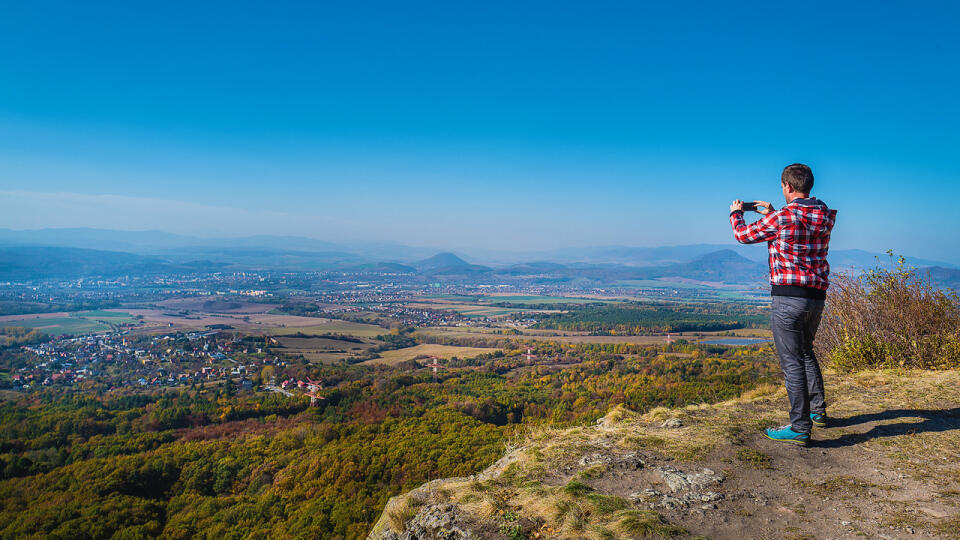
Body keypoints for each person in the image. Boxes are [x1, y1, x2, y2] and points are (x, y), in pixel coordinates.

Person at [729, 163, 837, 446]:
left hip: (788, 296)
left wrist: (736, 213)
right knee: (805, 352)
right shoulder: (824, 215)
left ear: (787, 186)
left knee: (791, 362)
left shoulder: (783, 217)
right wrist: (774, 211)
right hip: (816, 296)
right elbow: (799, 225)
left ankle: (800, 427)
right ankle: (817, 412)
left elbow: (743, 236)